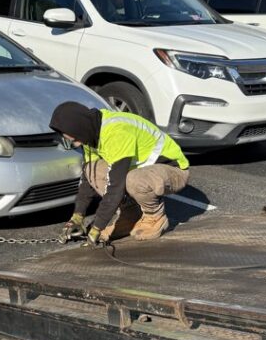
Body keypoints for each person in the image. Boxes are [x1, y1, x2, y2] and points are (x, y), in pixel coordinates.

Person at [49, 101, 190, 245]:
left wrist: (98, 226)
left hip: (172, 170)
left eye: (73, 138)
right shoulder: (90, 134)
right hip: (143, 171)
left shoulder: (117, 132)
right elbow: (88, 180)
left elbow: (116, 186)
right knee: (93, 169)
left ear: (80, 127)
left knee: (133, 180)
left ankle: (155, 217)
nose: (73, 143)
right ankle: (130, 215)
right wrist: (77, 216)